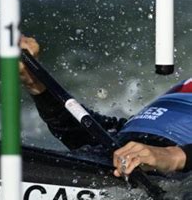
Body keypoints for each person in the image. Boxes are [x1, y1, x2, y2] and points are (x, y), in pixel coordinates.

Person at [19, 35, 192, 177]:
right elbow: (96, 135)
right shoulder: (185, 87)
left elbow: (166, 155)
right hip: (112, 159)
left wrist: (173, 157)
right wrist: (38, 85)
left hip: (168, 176)